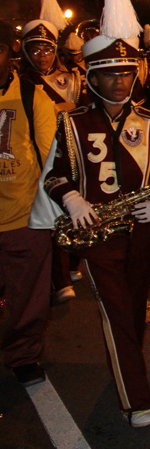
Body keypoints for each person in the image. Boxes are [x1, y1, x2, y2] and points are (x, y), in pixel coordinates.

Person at [29, 0, 150, 427]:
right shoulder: (72, 123)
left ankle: (127, 366)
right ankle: (137, 401)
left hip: (142, 233)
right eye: (109, 74)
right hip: (97, 234)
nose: (120, 82)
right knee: (116, 312)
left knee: (134, 308)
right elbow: (55, 177)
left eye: (126, 72)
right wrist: (74, 200)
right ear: (93, 76)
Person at [0, 20, 56, 387]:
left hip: (23, 217)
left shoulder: (32, 96)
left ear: (9, 53)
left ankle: (22, 356)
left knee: (27, 298)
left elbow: (53, 157)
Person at [19, 0, 83, 303]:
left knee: (73, 212)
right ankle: (57, 280)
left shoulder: (70, 77)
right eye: (35, 49)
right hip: (35, 157)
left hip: (68, 151)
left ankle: (71, 264)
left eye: (47, 48)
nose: (42, 55)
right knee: (47, 221)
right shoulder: (20, 82)